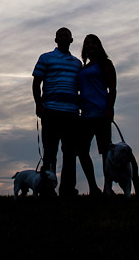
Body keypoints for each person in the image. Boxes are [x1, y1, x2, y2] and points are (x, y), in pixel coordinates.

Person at [32, 27, 82, 197]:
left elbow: (79, 87)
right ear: (55, 40)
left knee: (70, 153)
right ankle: (47, 189)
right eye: (60, 35)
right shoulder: (46, 58)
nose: (62, 37)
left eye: (66, 35)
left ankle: (67, 190)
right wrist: (39, 105)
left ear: (71, 40)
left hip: (71, 113)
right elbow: (36, 83)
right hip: (51, 111)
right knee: (50, 152)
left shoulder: (77, 63)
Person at [76, 33, 117, 196]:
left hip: (101, 113)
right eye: (87, 43)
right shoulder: (83, 68)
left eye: (93, 43)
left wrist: (109, 109)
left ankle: (108, 187)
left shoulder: (105, 64)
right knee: (82, 150)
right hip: (85, 114)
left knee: (106, 152)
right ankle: (93, 187)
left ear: (99, 46)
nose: (90, 46)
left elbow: (112, 88)